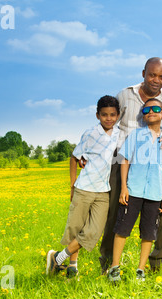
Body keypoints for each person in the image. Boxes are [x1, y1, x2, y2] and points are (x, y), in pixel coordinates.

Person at [98, 57, 162, 275]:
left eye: (161, 77)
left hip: (154, 166)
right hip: (122, 159)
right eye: (152, 75)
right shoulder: (125, 95)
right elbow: (108, 122)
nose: (156, 80)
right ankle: (108, 261)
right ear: (143, 73)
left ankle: (157, 261)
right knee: (116, 208)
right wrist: (92, 150)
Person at [107, 98, 162, 282]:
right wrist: (124, 187)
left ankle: (141, 270)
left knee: (149, 233)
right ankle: (114, 268)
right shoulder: (136, 135)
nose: (150, 112)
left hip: (155, 193)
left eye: (156, 109)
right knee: (122, 229)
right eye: (146, 110)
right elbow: (125, 160)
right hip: (133, 190)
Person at [46, 95, 120, 278]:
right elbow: (74, 157)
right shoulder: (90, 133)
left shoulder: (120, 134)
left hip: (103, 191)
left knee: (93, 231)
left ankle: (57, 257)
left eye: (112, 114)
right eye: (104, 115)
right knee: (76, 227)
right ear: (97, 115)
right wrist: (72, 185)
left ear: (118, 115)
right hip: (84, 188)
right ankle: (72, 266)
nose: (108, 118)